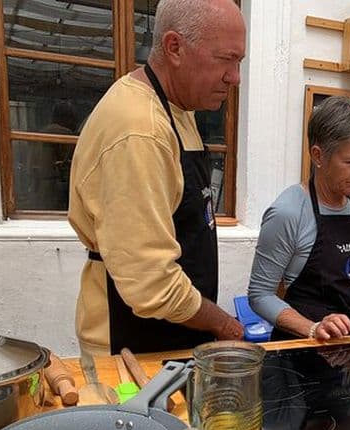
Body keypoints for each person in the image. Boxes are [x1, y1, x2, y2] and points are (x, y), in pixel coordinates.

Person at [68, 0, 245, 356]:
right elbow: (151, 283)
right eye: (225, 59)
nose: (235, 77)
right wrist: (223, 324)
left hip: (173, 335)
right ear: (174, 47)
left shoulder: (177, 109)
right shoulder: (140, 128)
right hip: (132, 344)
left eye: (239, 62)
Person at [248, 96, 350, 341]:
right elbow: (260, 294)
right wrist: (312, 328)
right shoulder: (288, 212)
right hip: (299, 349)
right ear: (318, 156)